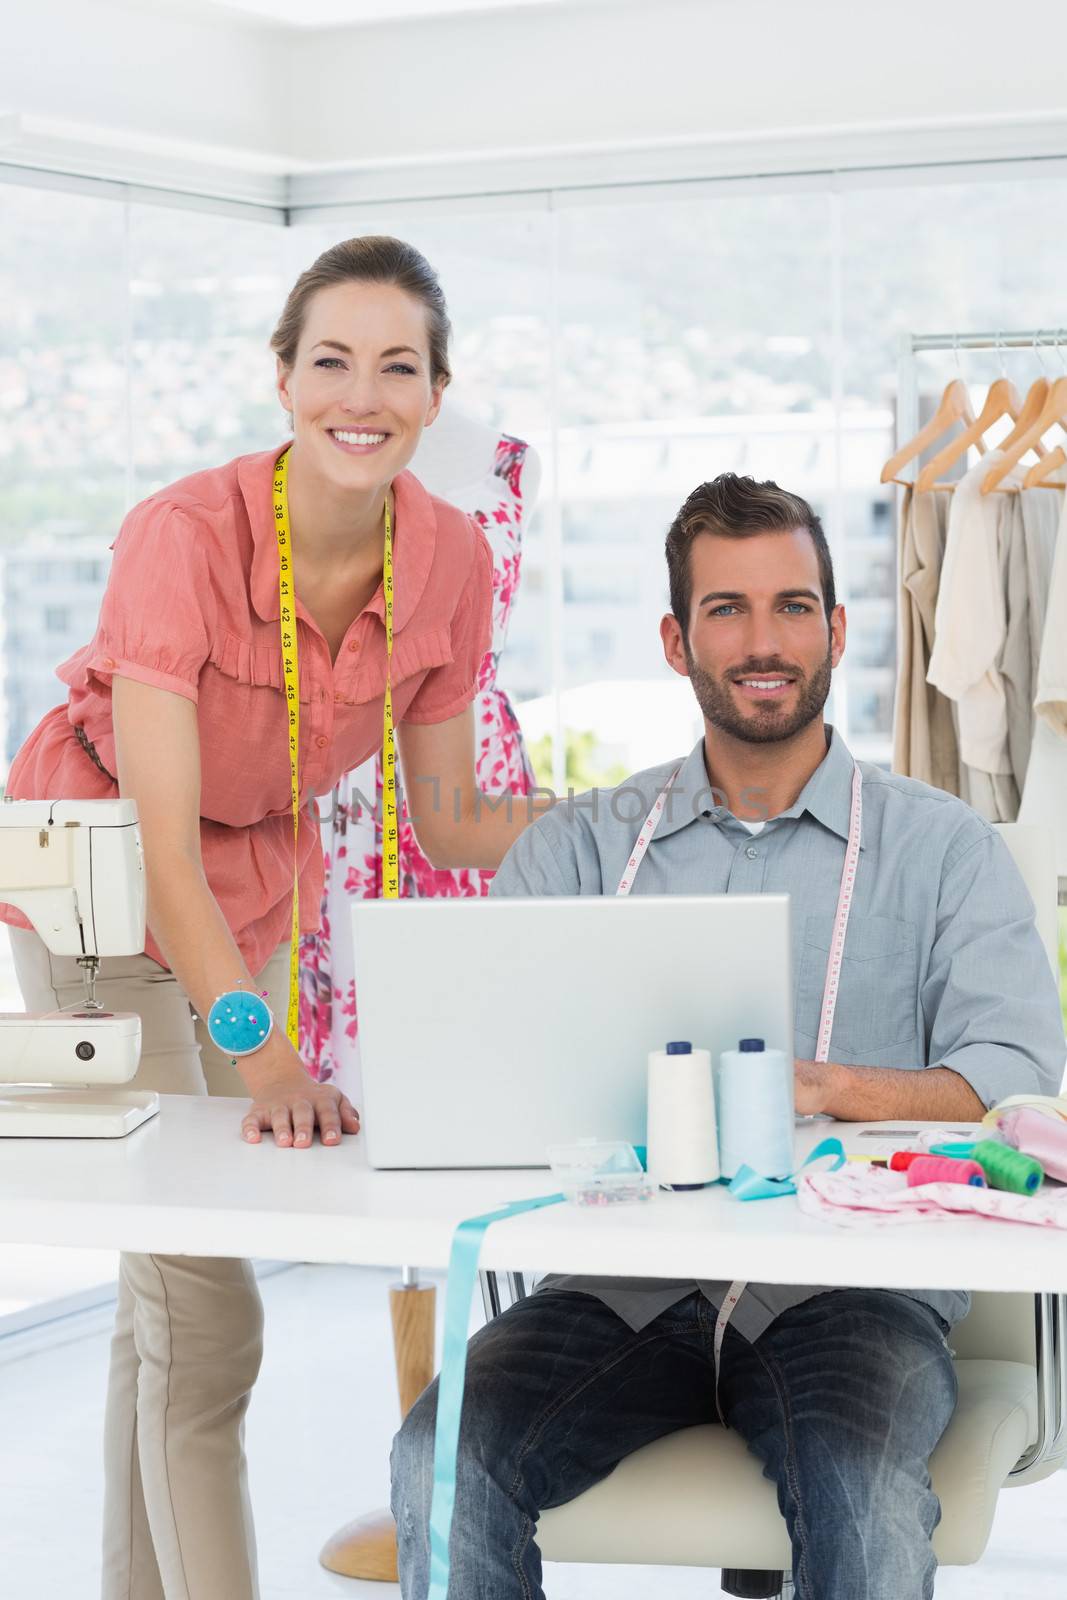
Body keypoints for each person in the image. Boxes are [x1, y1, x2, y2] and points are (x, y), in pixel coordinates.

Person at [391, 473, 1066, 1600]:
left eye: (792, 606)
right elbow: (487, 1064)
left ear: (837, 628)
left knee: (858, 1496)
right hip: (620, 1286)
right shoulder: (577, 850)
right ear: (673, 637)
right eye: (725, 609)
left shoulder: (943, 849)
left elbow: (1016, 1088)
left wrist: (823, 1085)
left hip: (854, 1297)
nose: (764, 640)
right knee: (438, 1460)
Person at [0, 235, 541, 1600]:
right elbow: (163, 851)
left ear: (435, 391)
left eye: (397, 365)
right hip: (101, 882)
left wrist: (647, 811)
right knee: (214, 1314)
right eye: (330, 360)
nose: (360, 394)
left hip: (246, 874)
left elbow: (448, 819)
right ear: (282, 378)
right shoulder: (183, 537)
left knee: (165, 1309)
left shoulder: (450, 562)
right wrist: (264, 1053)